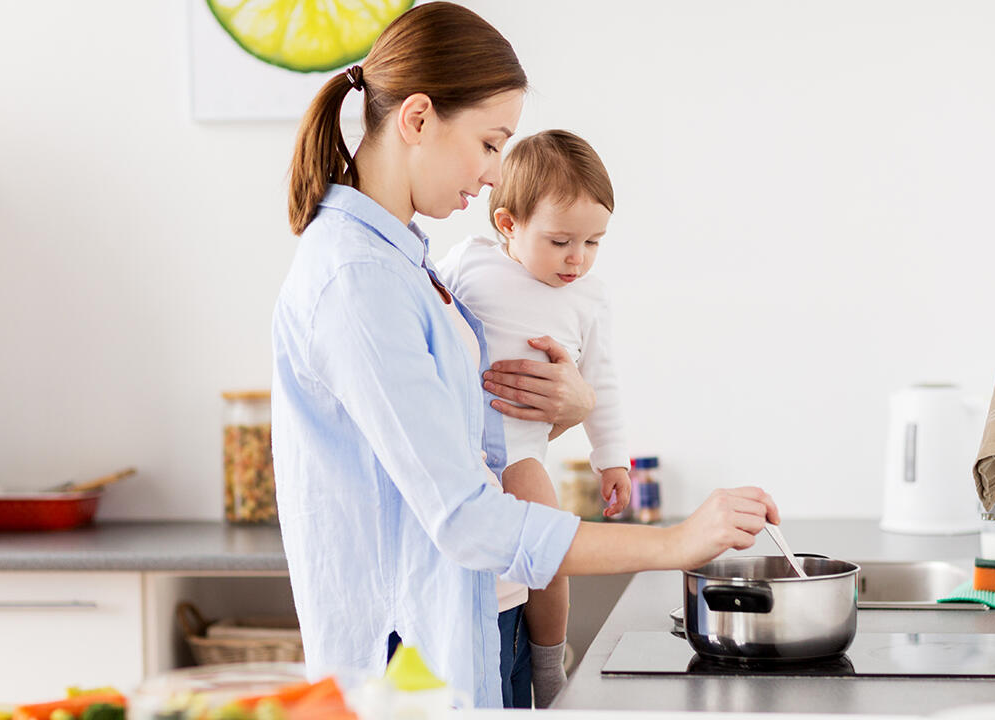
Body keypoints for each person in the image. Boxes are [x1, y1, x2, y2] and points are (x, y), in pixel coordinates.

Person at [271, 1, 781, 709]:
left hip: (489, 613)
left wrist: (576, 410)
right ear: (417, 120)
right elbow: (466, 517)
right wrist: (671, 544)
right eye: (488, 143)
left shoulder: (408, 264)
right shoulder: (357, 281)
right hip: (409, 664)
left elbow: (458, 440)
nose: (491, 175)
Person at [435, 129, 630, 707]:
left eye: (594, 242)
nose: (578, 258)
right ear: (507, 225)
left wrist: (611, 459)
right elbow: (429, 314)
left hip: (519, 449)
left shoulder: (588, 299)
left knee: (549, 545)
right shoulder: (468, 262)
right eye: (561, 240)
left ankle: (549, 661)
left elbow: (602, 383)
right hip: (461, 448)